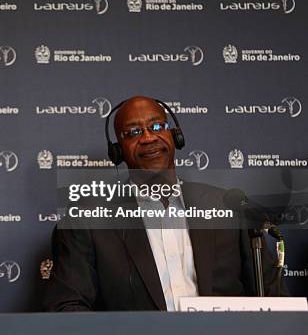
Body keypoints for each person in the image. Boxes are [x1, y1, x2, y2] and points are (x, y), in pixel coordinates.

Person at [44, 96, 285, 311]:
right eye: (134, 132)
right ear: (118, 151)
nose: (148, 138)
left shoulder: (226, 207)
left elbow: (273, 298)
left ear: (175, 136)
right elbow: (67, 306)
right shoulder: (87, 219)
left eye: (157, 126)